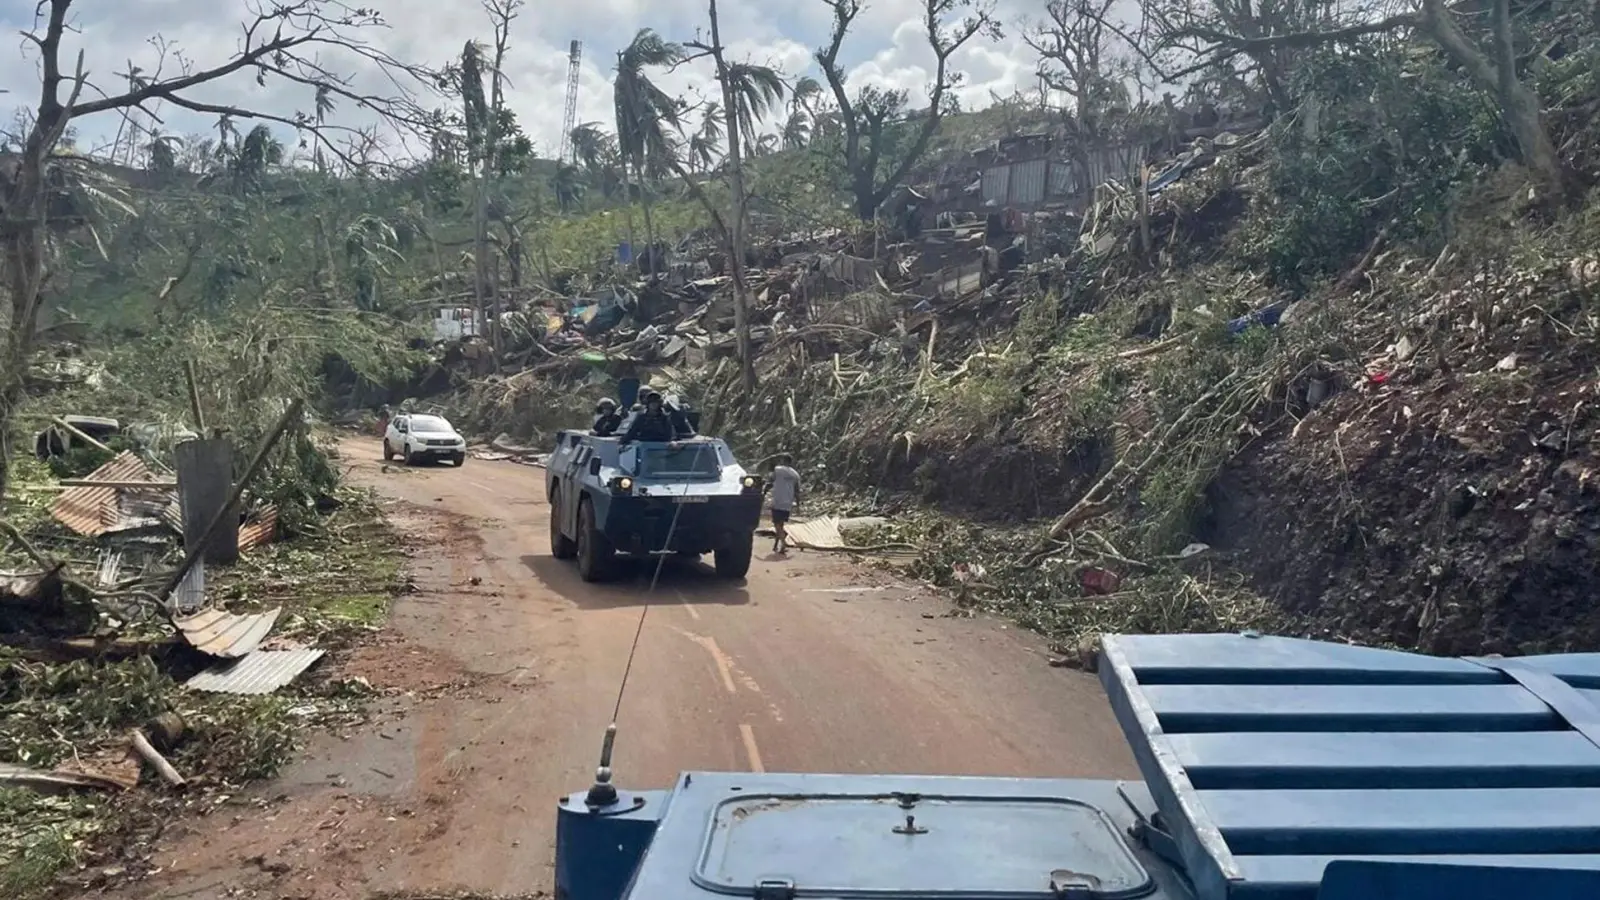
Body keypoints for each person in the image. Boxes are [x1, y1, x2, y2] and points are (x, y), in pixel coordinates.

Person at [620, 390, 688, 444]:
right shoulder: (642, 417)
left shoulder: (664, 417)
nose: (653, 405)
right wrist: (622, 442)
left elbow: (670, 433)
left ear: (659, 404)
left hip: (660, 446)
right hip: (644, 445)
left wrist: (672, 442)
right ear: (648, 404)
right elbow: (632, 432)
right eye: (651, 402)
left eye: (656, 403)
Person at [766, 454, 801, 554]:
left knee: (777, 524)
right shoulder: (795, 474)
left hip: (778, 501)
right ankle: (777, 545)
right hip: (788, 503)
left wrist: (764, 492)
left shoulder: (778, 470)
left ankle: (784, 542)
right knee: (780, 524)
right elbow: (797, 491)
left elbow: (770, 481)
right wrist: (798, 506)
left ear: (783, 460)